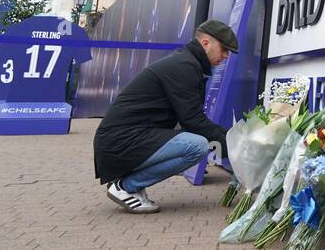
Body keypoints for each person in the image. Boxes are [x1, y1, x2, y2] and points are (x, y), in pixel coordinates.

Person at [93, 20, 237, 214]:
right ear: (205, 43)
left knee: (190, 137)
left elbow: (194, 119)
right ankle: (126, 187)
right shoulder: (184, 66)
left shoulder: (187, 63)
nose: (226, 56)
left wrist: (233, 141)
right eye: (224, 49)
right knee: (197, 146)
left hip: (124, 138)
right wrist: (237, 151)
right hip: (119, 142)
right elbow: (194, 121)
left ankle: (130, 184)